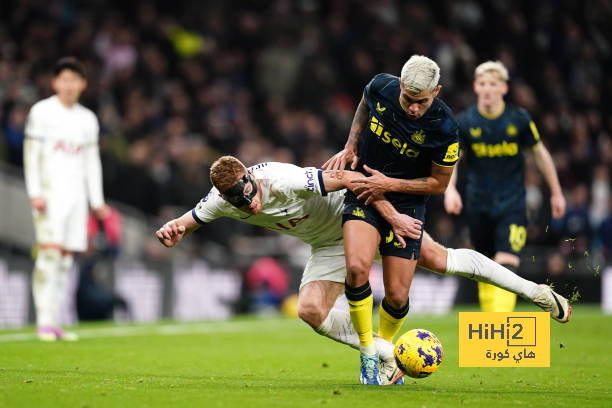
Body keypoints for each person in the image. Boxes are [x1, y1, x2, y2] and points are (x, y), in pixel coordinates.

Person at [156, 155, 570, 386]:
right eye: (241, 203)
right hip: (325, 245)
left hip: (357, 220)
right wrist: (176, 228)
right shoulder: (222, 200)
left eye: (251, 194)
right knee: (310, 312)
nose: (252, 206)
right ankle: (389, 355)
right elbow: (193, 218)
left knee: (439, 260)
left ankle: (536, 292)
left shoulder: (287, 178)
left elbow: (353, 180)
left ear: (251, 176)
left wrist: (391, 217)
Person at [322, 55, 462, 384]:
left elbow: (439, 184)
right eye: (409, 100)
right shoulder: (380, 87)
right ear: (399, 85)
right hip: (363, 190)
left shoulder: (445, 127)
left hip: (408, 205)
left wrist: (389, 184)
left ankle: (387, 354)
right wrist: (351, 144)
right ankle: (369, 353)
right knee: (357, 268)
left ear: (437, 91)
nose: (414, 108)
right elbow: (364, 103)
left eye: (422, 102)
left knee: (397, 296)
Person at [444, 61, 566, 313]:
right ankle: (493, 327)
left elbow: (541, 154)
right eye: (483, 84)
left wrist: (556, 192)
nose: (487, 89)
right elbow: (453, 158)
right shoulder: (465, 122)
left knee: (506, 263)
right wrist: (450, 189)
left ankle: (500, 324)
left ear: (504, 88)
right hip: (478, 205)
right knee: (486, 268)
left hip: (512, 205)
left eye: (493, 84)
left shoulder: (518, 119)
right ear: (476, 87)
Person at [24, 57, 111, 341]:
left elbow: (91, 162)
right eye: (64, 79)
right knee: (49, 255)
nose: (69, 84)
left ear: (83, 84)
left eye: (75, 79)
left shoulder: (87, 119)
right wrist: (35, 191)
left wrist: (96, 201)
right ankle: (43, 321)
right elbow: (31, 155)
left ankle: (55, 321)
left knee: (64, 260)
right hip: (50, 196)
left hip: (76, 199)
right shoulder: (42, 111)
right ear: (55, 82)